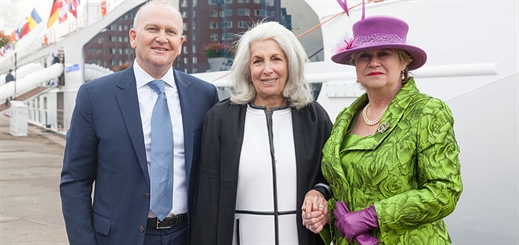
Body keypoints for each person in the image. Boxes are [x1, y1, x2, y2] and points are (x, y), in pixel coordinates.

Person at [59, 1, 219, 244]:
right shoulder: (95, 96)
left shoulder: (205, 95)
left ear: (180, 44)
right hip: (119, 237)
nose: (162, 38)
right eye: (152, 29)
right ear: (134, 37)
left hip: (186, 235)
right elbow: (75, 181)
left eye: (171, 32)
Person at [321, 14, 463, 245]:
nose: (373, 62)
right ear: (355, 64)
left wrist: (372, 217)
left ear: (404, 61)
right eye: (364, 55)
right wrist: (324, 209)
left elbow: (444, 192)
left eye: (384, 53)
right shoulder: (344, 118)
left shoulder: (428, 111)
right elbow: (347, 187)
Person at [191, 21, 333, 245]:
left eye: (276, 59)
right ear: (248, 69)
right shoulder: (221, 119)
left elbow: (330, 178)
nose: (267, 69)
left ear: (290, 64)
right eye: (258, 61)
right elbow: (207, 199)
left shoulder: (313, 117)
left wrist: (319, 192)